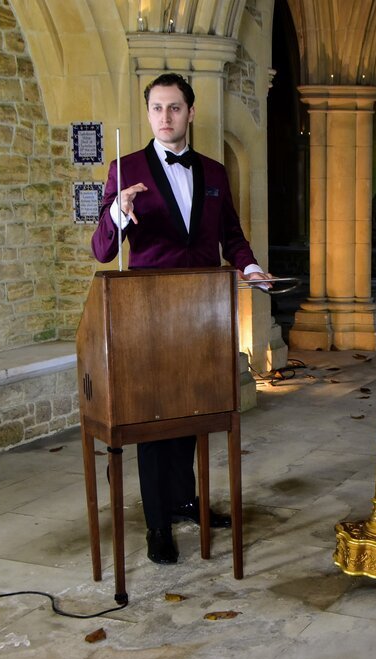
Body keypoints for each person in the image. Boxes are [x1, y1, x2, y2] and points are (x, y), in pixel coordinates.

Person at [92, 72, 273, 565]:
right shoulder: (125, 169)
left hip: (203, 311)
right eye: (157, 108)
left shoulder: (213, 172)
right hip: (148, 316)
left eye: (174, 107)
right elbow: (102, 251)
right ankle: (157, 525)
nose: (165, 117)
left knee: (193, 410)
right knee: (153, 420)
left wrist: (250, 268)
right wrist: (118, 213)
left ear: (190, 112)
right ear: (148, 113)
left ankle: (185, 500)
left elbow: (230, 234)